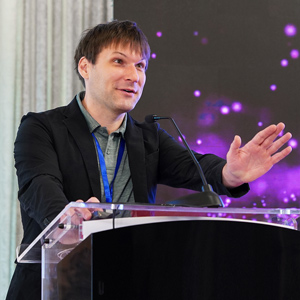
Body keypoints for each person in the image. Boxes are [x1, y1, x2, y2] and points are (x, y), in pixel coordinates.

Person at [6, 20, 292, 299]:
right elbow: (39, 184)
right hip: (55, 285)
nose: (134, 75)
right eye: (119, 62)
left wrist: (231, 173)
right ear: (85, 67)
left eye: (141, 65)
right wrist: (66, 218)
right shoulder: (42, 128)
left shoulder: (148, 137)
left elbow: (198, 168)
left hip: (128, 282)